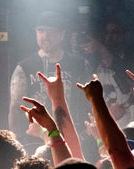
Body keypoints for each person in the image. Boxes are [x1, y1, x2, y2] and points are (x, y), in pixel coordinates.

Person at [9, 10, 92, 150]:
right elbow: (15, 108)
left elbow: (92, 103)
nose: (45, 36)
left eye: (51, 32)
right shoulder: (24, 67)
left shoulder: (79, 64)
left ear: (62, 34)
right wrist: (17, 143)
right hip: (36, 144)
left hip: (76, 141)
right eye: (41, 31)